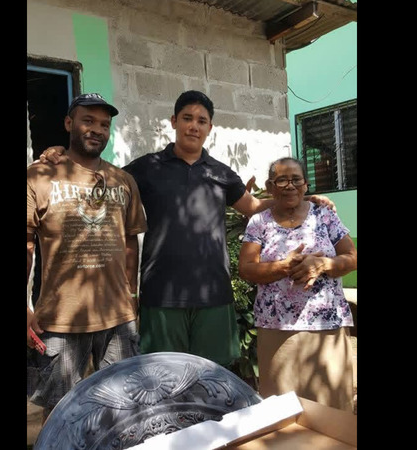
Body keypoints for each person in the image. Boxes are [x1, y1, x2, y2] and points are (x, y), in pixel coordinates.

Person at [39, 90, 335, 369]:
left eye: (201, 121)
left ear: (210, 128)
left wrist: (301, 198)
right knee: (163, 378)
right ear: (174, 121)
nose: (194, 126)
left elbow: (254, 207)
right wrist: (62, 155)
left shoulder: (220, 173)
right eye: (187, 118)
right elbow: (101, 176)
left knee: (212, 378)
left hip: (213, 295)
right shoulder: (147, 167)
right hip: (161, 295)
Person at [27, 93, 148, 421]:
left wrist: (132, 295)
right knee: (62, 414)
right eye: (88, 121)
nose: (97, 129)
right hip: (60, 320)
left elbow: (130, 241)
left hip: (118, 319)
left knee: (123, 408)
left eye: (104, 125)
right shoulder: (40, 176)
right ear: (69, 123)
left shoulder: (123, 181)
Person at [238, 156, 356, 412]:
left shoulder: (324, 216)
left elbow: (352, 257)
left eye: (296, 179)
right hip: (277, 328)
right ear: (270, 187)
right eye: (281, 180)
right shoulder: (259, 222)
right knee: (282, 409)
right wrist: (284, 266)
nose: (289, 185)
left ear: (305, 185)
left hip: (327, 326)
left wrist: (323, 264)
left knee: (332, 408)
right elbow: (245, 268)